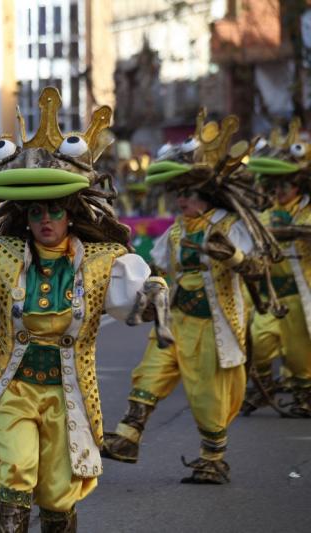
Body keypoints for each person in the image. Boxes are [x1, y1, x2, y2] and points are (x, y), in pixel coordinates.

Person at [0, 88, 169, 532]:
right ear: (26, 216)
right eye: (38, 212)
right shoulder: (2, 256)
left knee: (58, 494)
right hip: (14, 389)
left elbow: (133, 303)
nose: (47, 220)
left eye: (56, 211)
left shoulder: (104, 262)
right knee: (14, 475)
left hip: (68, 394)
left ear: (71, 212)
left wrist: (154, 294)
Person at [102, 109, 279, 484]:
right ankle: (128, 437)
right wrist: (151, 289)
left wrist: (232, 256)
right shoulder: (178, 231)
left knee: (206, 394)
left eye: (187, 194)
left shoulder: (231, 226)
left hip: (214, 326)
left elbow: (259, 268)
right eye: (177, 193)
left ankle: (213, 459)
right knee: (149, 374)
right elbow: (162, 270)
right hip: (176, 321)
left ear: (205, 193)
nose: (180, 200)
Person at [242, 120, 311, 417]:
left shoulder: (307, 211)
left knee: (298, 354)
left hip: (299, 292)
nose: (280, 191)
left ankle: (303, 396)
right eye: (276, 186)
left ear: (298, 185)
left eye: (286, 185)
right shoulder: (266, 214)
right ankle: (264, 386)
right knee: (258, 341)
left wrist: (286, 233)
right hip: (270, 294)